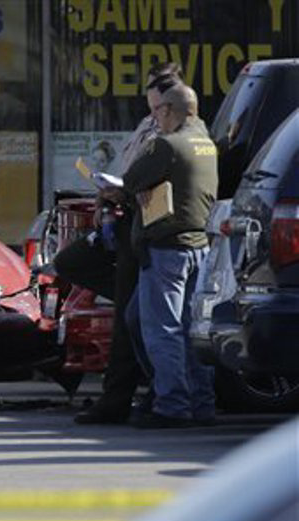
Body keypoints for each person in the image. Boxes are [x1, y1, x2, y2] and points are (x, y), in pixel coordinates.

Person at [54, 62, 183, 424]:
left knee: (129, 320)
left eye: (158, 105)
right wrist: (105, 194)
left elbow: (151, 181)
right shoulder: (148, 126)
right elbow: (129, 170)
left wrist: (120, 192)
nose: (153, 111)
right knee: (70, 262)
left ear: (170, 103)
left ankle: (117, 398)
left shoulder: (173, 136)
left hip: (141, 225)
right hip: (122, 218)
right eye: (150, 103)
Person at [122, 80, 217, 428]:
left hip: (166, 249)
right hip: (198, 248)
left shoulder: (167, 145)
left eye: (158, 110)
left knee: (163, 331)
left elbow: (131, 180)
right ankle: (202, 403)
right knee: (190, 331)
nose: (155, 117)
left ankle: (172, 405)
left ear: (170, 110)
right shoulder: (205, 143)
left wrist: (139, 187)